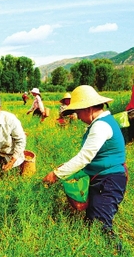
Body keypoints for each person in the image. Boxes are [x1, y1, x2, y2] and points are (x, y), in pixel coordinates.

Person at [43, 85, 127, 244]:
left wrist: (55, 174)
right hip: (102, 178)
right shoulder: (99, 123)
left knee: (100, 225)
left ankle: (116, 255)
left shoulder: (101, 126)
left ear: (88, 108)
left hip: (109, 180)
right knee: (92, 221)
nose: (78, 116)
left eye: (78, 112)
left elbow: (84, 157)